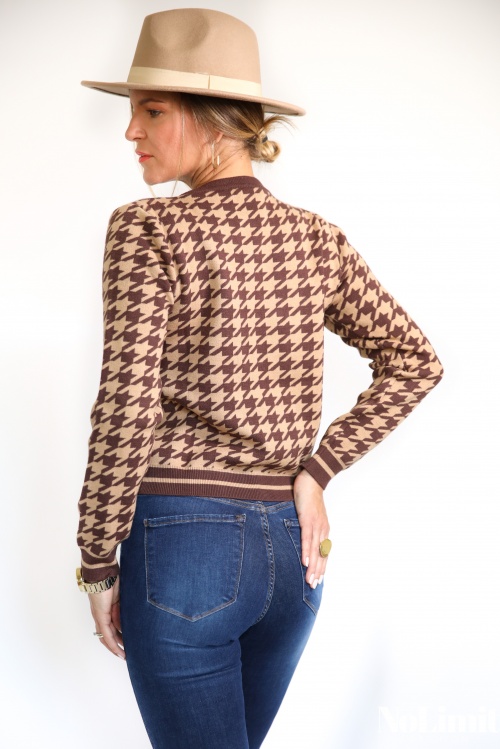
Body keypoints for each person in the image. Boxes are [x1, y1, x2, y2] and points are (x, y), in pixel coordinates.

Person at [76, 8, 443, 749]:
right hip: (289, 556)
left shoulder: (149, 228)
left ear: (216, 119)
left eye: (152, 110)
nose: (130, 131)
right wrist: (315, 472)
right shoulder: (315, 240)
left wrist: (96, 559)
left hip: (185, 549)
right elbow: (417, 361)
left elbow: (126, 401)